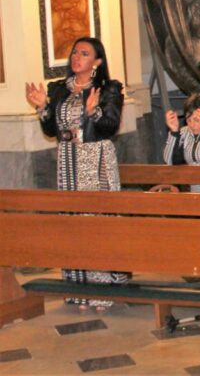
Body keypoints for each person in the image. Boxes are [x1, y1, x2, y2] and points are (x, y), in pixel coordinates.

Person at [25, 37, 125, 312]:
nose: (76, 57)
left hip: (96, 159)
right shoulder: (59, 89)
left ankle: (102, 289)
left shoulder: (109, 89)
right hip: (68, 161)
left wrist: (93, 112)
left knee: (96, 222)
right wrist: (43, 108)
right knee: (73, 222)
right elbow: (51, 131)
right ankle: (78, 290)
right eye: (74, 52)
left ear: (97, 62)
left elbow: (110, 126)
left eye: (84, 53)